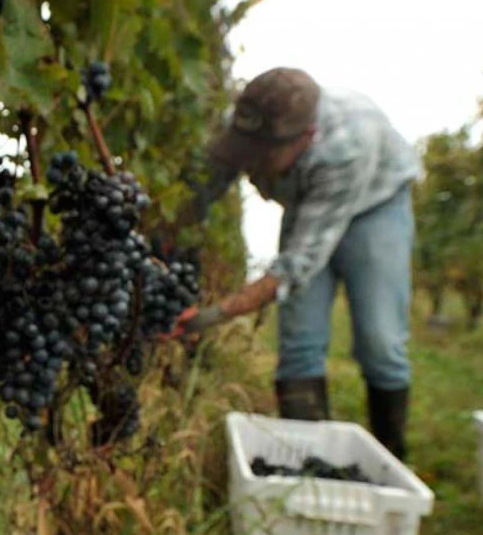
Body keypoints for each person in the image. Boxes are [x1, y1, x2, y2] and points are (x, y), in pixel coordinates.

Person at [168, 67, 420, 461]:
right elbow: (203, 186)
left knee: (380, 340)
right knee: (300, 343)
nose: (249, 165)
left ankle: (391, 460)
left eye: (261, 156)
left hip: (375, 208)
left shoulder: (346, 146)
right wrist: (158, 240)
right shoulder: (249, 125)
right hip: (307, 204)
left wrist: (209, 316)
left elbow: (296, 266)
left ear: (306, 139)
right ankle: (309, 467)